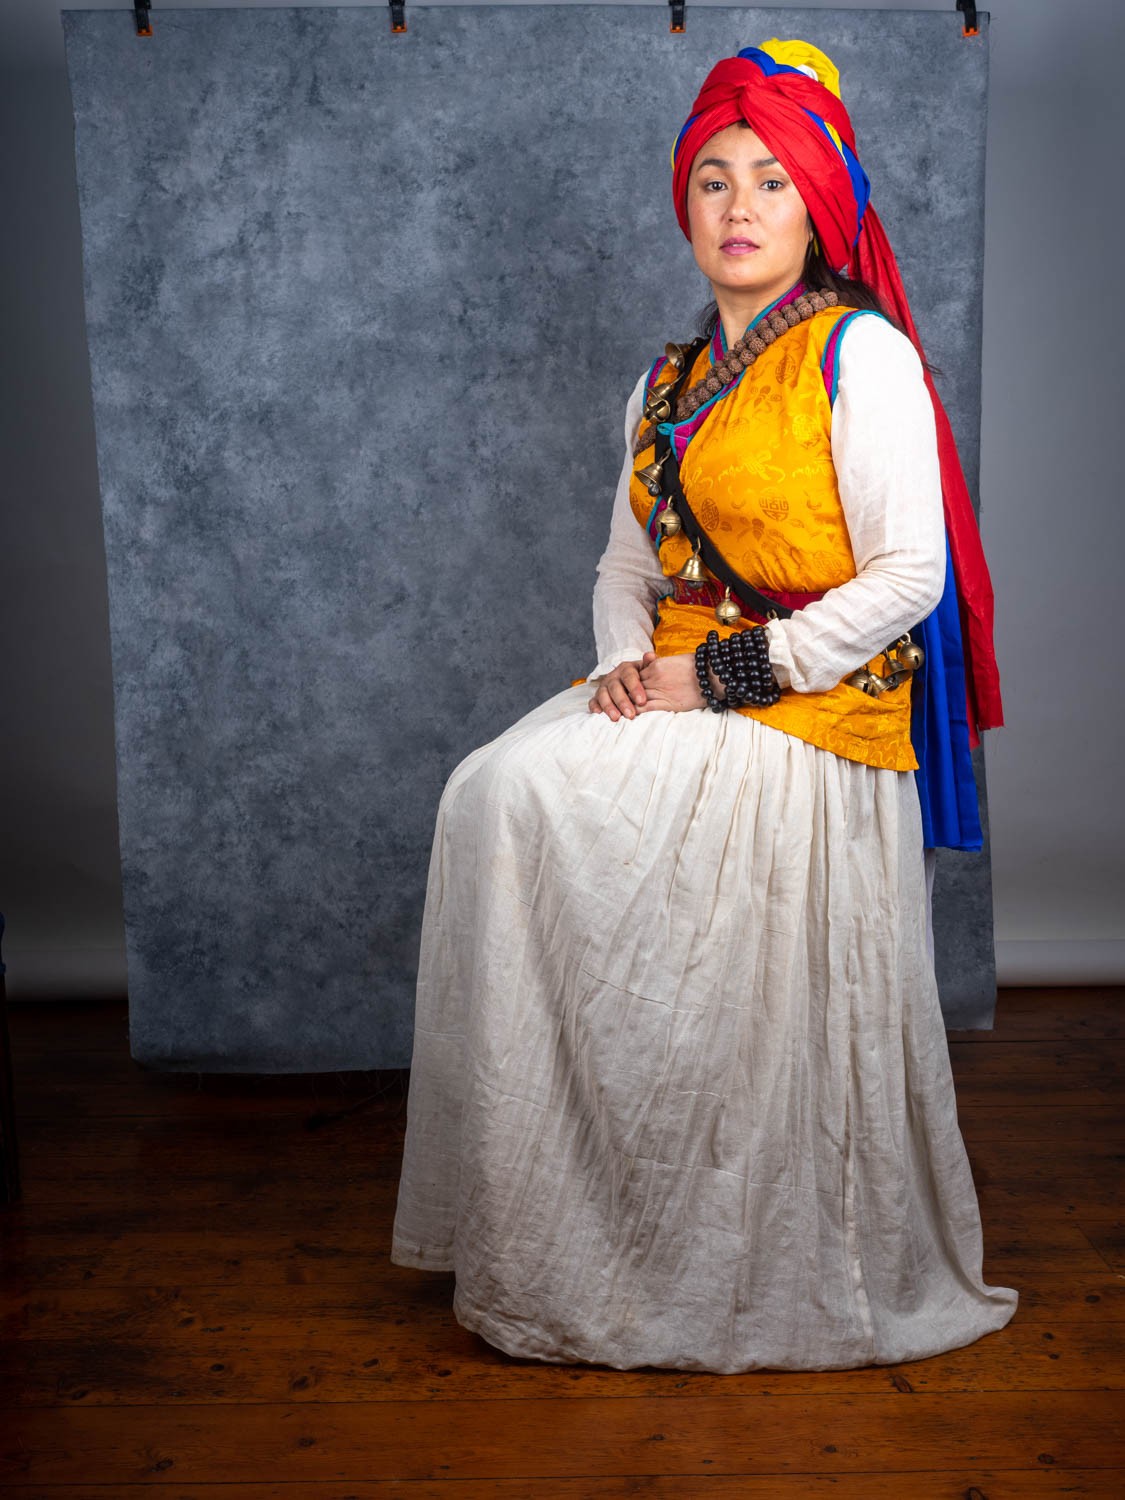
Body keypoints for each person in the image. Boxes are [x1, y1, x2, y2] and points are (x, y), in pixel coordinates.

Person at [390, 38, 1018, 1373]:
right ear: (684, 205)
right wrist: (626, 665)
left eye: (772, 183)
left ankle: (718, 1246)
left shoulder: (862, 358)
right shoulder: (663, 382)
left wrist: (722, 677)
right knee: (486, 795)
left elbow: (908, 577)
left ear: (819, 209)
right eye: (715, 181)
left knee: (526, 799)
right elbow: (623, 565)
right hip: (672, 677)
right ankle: (580, 1210)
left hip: (810, 703)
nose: (739, 208)